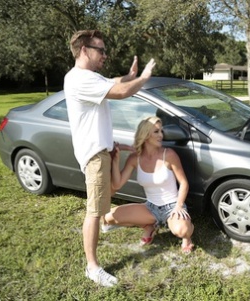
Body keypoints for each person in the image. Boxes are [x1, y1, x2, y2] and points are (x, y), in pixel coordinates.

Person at [64, 29, 156, 287]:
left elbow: (114, 82)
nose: (105, 55)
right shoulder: (79, 79)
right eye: (100, 50)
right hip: (93, 155)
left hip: (101, 149)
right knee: (93, 211)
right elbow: (121, 92)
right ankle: (92, 267)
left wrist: (130, 76)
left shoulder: (89, 77)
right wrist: (144, 77)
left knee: (106, 196)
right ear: (84, 50)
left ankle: (106, 223)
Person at [102, 116, 194, 254]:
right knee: (109, 218)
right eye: (156, 132)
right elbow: (117, 184)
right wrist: (115, 161)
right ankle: (149, 226)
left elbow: (184, 182)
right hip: (151, 208)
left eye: (161, 131)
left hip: (173, 206)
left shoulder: (168, 154)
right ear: (145, 135)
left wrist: (179, 205)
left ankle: (187, 238)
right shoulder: (135, 158)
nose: (161, 135)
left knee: (182, 230)